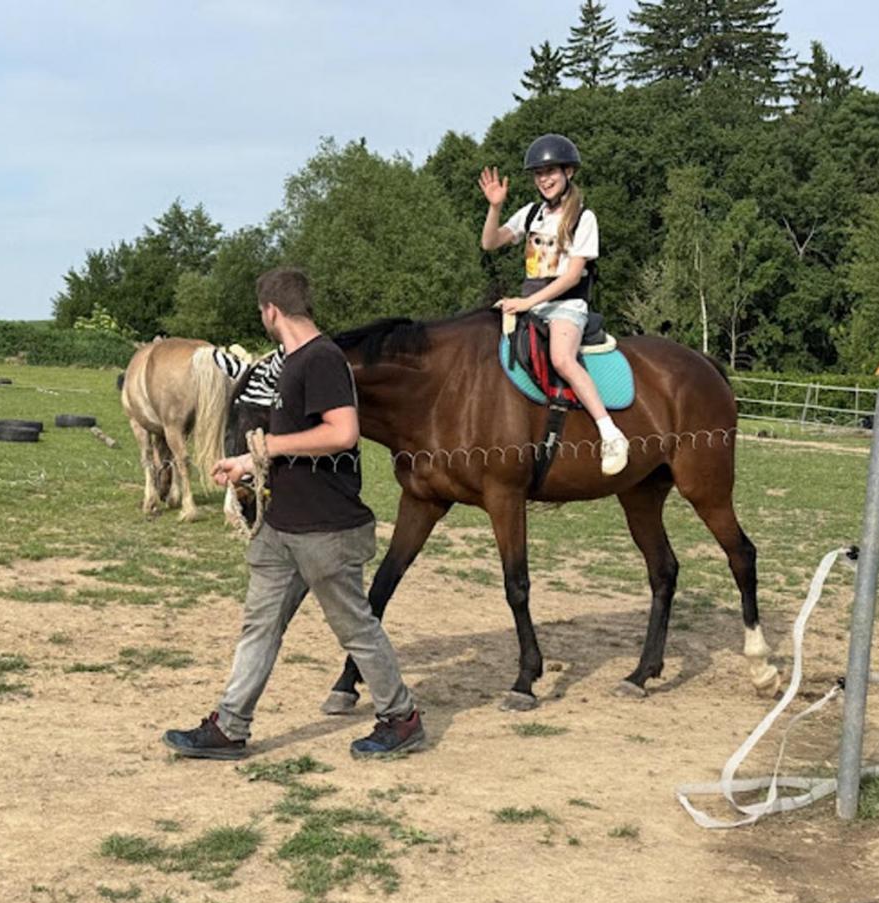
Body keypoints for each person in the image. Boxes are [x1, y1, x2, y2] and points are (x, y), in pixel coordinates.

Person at [162, 267, 425, 760]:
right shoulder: (291, 362)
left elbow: (343, 432)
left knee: (356, 629)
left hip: (326, 529)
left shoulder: (320, 360)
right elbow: (291, 447)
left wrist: (265, 449)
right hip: (282, 526)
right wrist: (248, 466)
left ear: (271, 311)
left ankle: (402, 717)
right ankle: (230, 726)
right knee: (258, 626)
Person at [478, 133, 630, 476]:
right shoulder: (532, 213)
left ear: (568, 173)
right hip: (531, 305)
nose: (544, 179)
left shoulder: (583, 218)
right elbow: (490, 242)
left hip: (566, 306)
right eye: (538, 173)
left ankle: (610, 433)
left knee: (562, 358)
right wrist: (495, 206)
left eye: (551, 171)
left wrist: (526, 302)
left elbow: (573, 276)